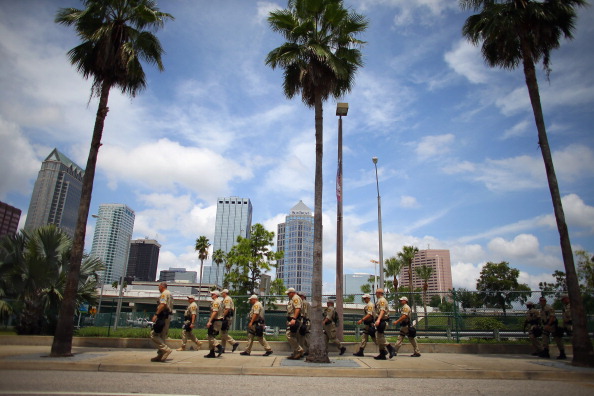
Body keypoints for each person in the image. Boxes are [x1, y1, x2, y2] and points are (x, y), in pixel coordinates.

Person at [150, 282, 173, 362]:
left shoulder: (164, 294)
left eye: (158, 287)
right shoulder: (169, 293)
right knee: (162, 336)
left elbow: (162, 304)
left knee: (154, 334)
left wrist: (156, 314)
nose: (158, 288)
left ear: (162, 286)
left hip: (162, 316)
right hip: (166, 316)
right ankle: (160, 355)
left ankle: (166, 350)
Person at [373, 288, 396, 360]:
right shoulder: (380, 300)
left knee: (379, 337)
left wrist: (378, 320)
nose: (375, 294)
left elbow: (382, 311)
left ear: (379, 293)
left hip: (382, 320)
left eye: (376, 293)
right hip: (380, 320)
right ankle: (382, 353)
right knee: (380, 336)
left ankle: (390, 348)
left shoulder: (382, 300)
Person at [285, 287, 304, 359]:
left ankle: (299, 350)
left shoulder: (295, 298)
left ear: (292, 293)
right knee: (294, 336)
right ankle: (296, 354)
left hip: (295, 320)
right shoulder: (292, 299)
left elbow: (297, 308)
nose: (288, 295)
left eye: (288, 293)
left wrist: (294, 319)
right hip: (292, 319)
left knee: (289, 335)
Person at [204, 290, 224, 358]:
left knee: (210, 336)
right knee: (211, 336)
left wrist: (210, 321)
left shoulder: (216, 302)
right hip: (218, 321)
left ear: (215, 295)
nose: (211, 295)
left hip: (216, 321)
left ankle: (219, 346)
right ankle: (211, 352)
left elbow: (215, 312)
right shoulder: (219, 301)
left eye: (212, 294)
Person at [220, 289, 240, 353]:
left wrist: (222, 316)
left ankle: (234, 343)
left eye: (222, 293)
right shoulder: (226, 299)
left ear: (225, 293)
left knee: (223, 333)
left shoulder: (227, 299)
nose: (221, 294)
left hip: (226, 317)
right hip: (227, 317)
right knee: (223, 332)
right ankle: (222, 348)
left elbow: (227, 308)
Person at [553, 295, 571, 360]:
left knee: (574, 337)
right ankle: (562, 352)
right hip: (565, 324)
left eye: (563, 299)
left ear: (567, 298)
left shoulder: (572, 305)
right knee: (557, 335)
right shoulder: (565, 307)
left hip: (571, 324)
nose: (563, 301)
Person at [296, 291, 311, 356]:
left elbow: (304, 313)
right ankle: (309, 350)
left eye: (299, 296)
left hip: (304, 321)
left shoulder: (304, 303)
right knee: (305, 337)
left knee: (301, 337)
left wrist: (303, 322)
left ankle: (301, 351)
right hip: (306, 321)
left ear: (302, 296)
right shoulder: (306, 303)